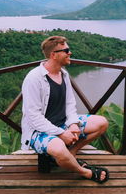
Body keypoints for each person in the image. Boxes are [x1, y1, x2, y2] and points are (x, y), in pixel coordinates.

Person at [21, 36, 109, 183]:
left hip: (62, 123)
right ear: (53, 55)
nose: (70, 53)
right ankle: (86, 172)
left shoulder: (64, 74)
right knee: (59, 148)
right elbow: (33, 118)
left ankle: (72, 153)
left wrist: (73, 124)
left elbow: (69, 104)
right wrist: (62, 133)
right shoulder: (34, 78)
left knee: (102, 123)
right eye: (66, 50)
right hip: (39, 131)